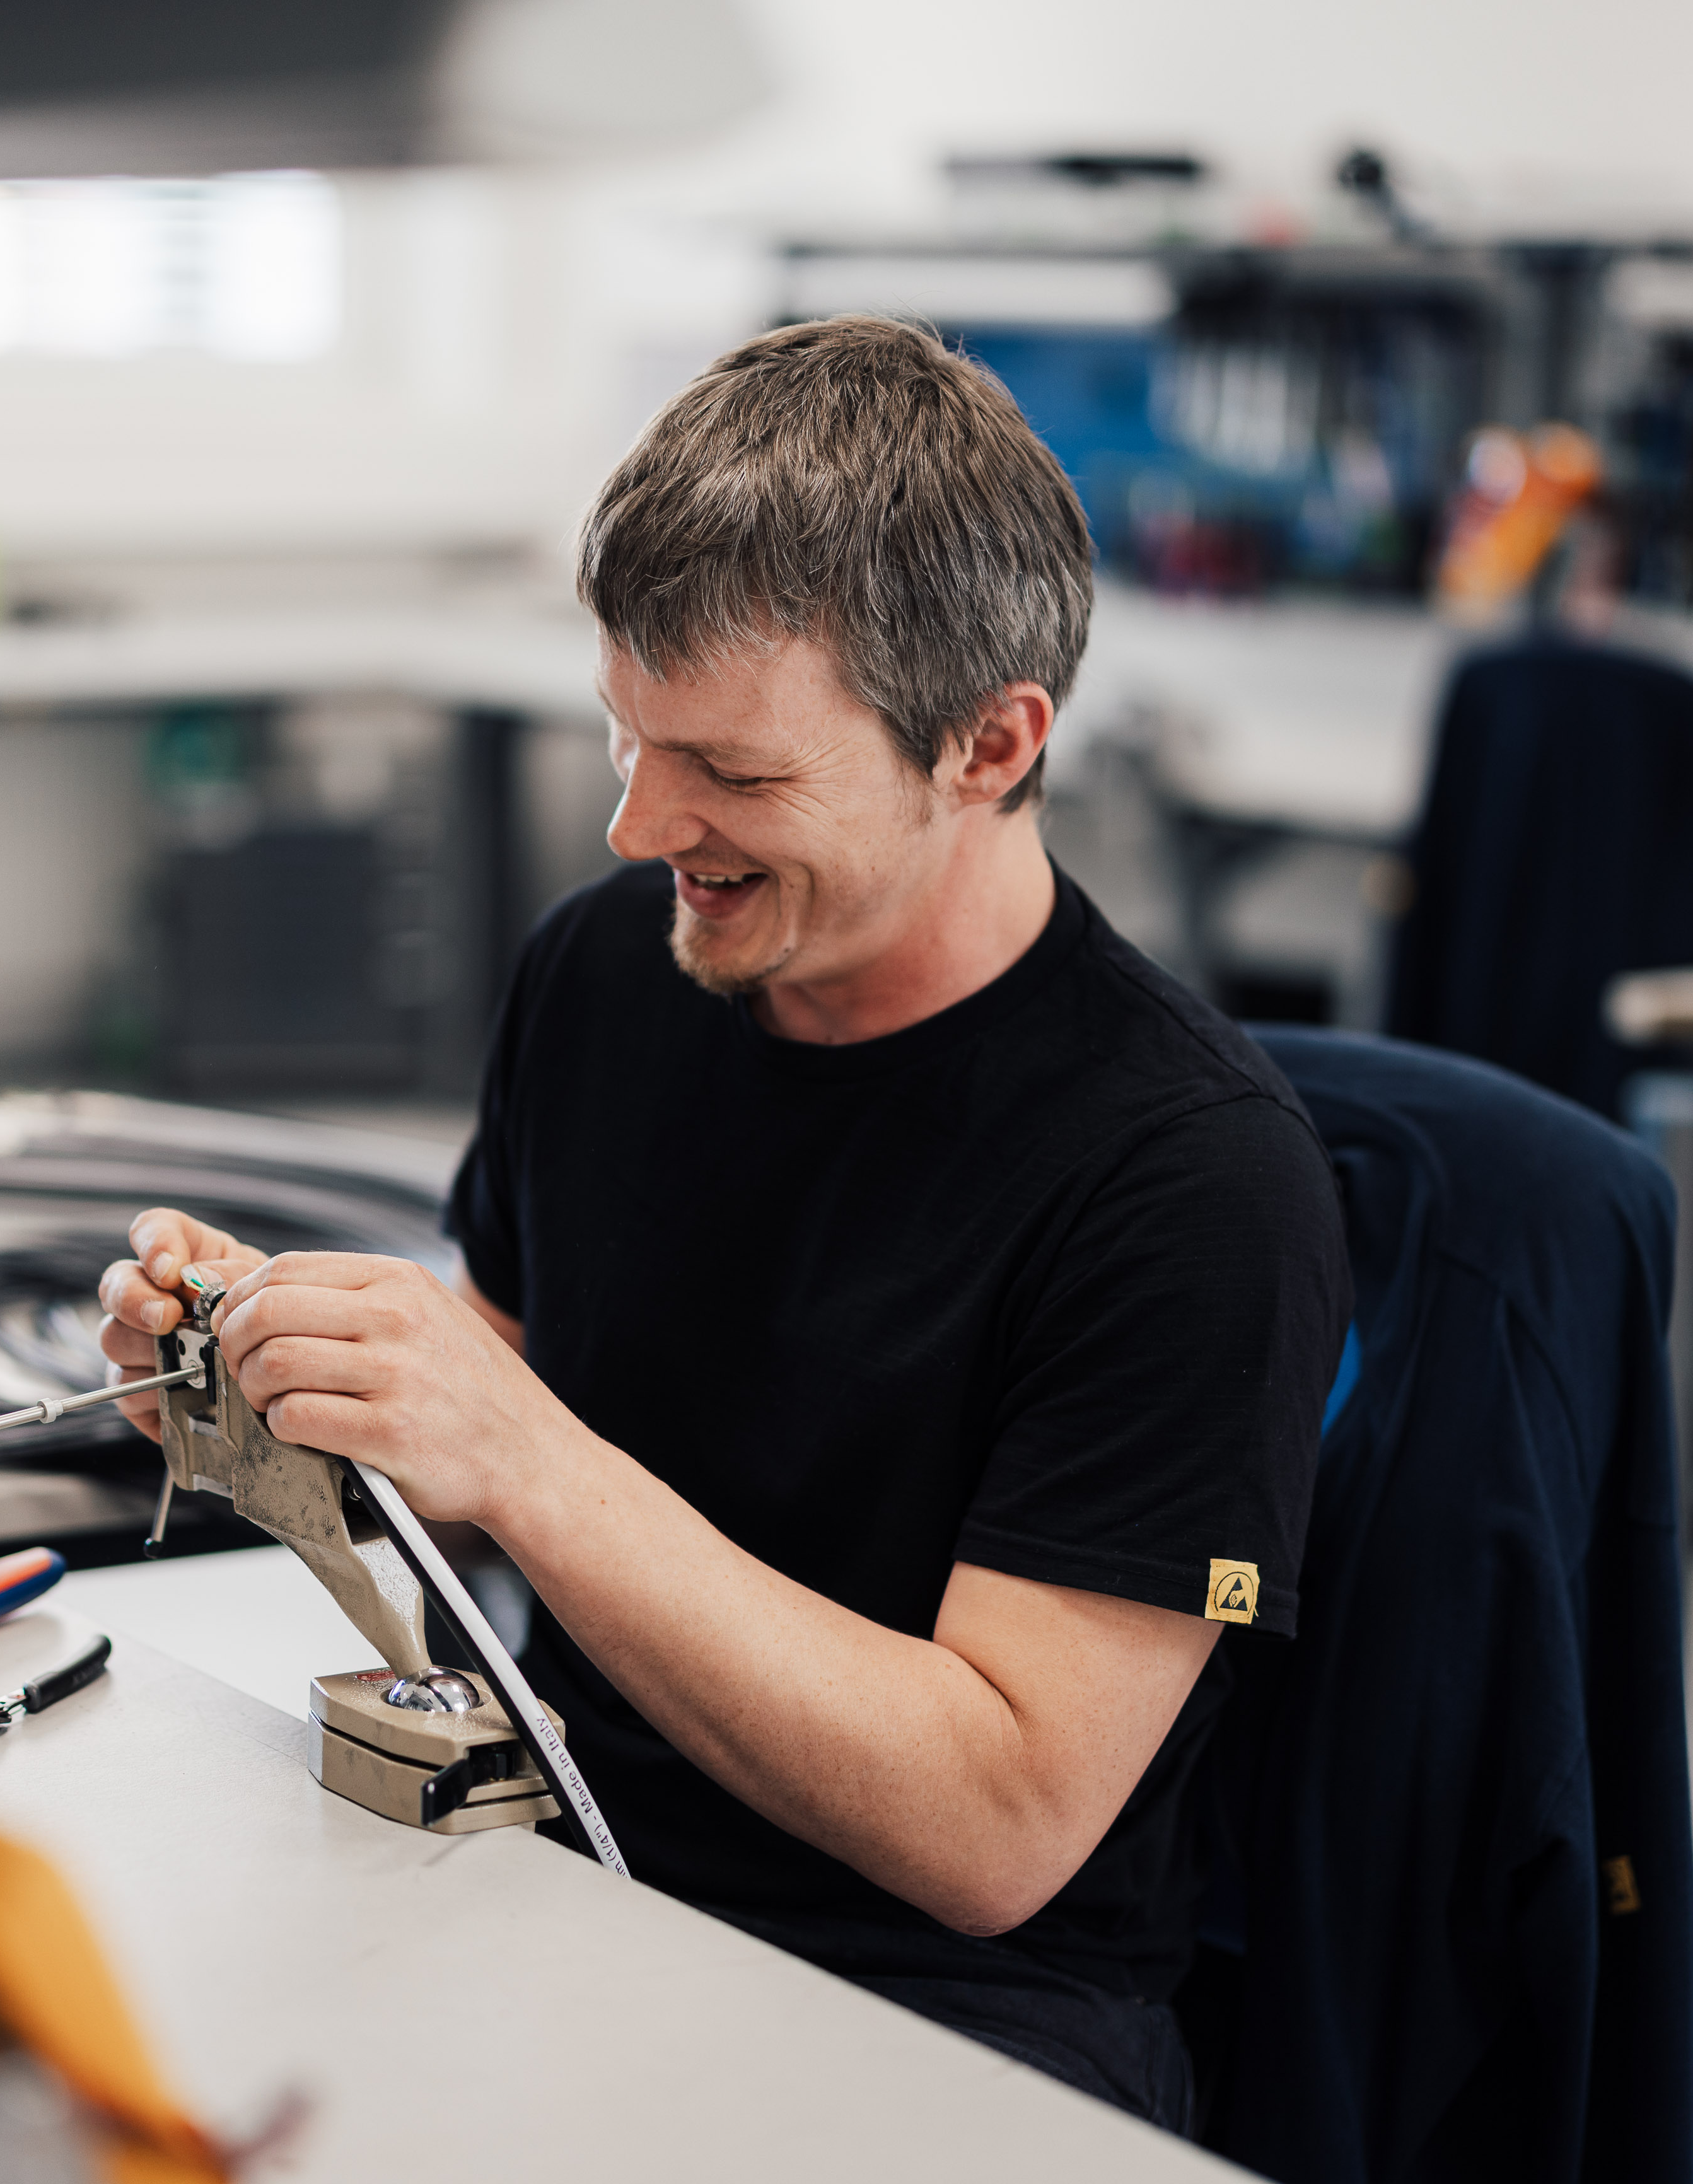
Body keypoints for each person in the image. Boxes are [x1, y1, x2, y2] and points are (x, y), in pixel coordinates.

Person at [98, 316, 1346, 2131]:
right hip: (555, 1848)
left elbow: (997, 1828)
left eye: (735, 777)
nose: (633, 826)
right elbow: (491, 1431)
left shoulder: (1188, 1182)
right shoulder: (612, 972)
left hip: (944, 2009)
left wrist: (531, 1456)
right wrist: (279, 1412)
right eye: (625, 737)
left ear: (989, 745)